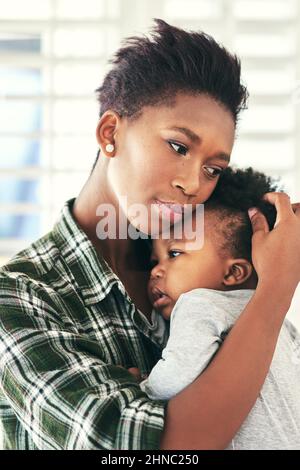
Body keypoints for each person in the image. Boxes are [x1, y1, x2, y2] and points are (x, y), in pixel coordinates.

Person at [0, 18, 300, 450]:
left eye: (212, 168)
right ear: (110, 133)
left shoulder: (203, 260)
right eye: (179, 146)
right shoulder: (22, 296)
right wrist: (276, 290)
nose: (194, 183)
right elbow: (159, 452)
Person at [139, 167, 300, 450]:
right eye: (155, 261)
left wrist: (142, 386)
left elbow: (172, 378)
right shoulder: (282, 324)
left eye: (174, 253)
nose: (156, 271)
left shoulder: (199, 304)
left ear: (234, 273)